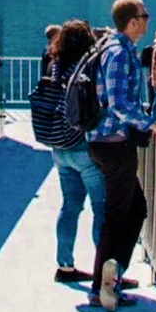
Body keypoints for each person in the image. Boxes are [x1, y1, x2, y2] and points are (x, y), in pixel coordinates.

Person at [87, 0, 156, 312]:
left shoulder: (118, 49)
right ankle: (101, 287)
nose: (148, 20)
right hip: (114, 145)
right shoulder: (119, 52)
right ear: (132, 21)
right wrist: (155, 126)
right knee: (116, 216)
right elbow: (118, 103)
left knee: (136, 209)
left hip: (107, 143)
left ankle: (112, 273)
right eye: (145, 15)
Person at [39, 20, 105, 283]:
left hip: (59, 147)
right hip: (82, 148)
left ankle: (64, 266)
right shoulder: (86, 68)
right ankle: (104, 275)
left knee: (70, 207)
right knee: (101, 209)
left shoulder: (55, 66)